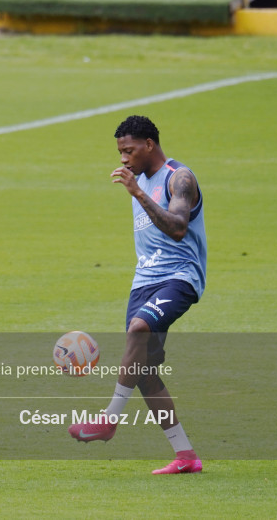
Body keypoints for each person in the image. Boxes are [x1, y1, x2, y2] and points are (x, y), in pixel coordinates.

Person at [68, 115, 206, 475]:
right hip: (143, 281)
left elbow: (178, 228)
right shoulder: (139, 179)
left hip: (179, 277)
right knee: (144, 372)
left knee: (138, 329)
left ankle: (109, 419)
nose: (123, 159)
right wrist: (138, 187)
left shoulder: (180, 178)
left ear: (149, 144)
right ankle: (186, 456)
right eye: (120, 153)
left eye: (129, 151)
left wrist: (139, 193)